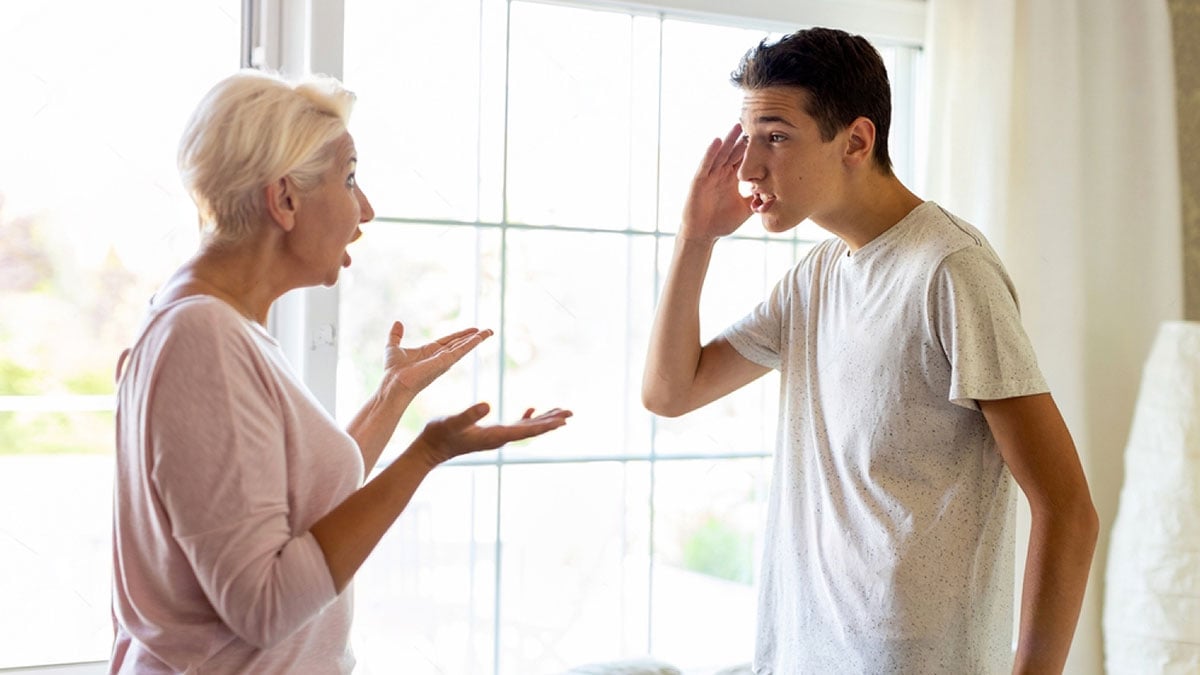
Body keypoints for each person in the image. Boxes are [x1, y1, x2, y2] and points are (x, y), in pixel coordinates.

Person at [642, 27, 1098, 674]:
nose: (747, 168)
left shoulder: (950, 272)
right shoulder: (814, 279)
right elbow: (670, 390)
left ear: (856, 140)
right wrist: (696, 237)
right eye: (747, 141)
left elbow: (1068, 508)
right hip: (800, 655)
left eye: (775, 136)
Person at [109, 69, 572, 673]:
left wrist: (392, 396)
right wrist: (426, 454)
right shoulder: (204, 338)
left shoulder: (218, 328)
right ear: (285, 199)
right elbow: (266, 606)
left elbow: (297, 514)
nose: (368, 208)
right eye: (350, 178)